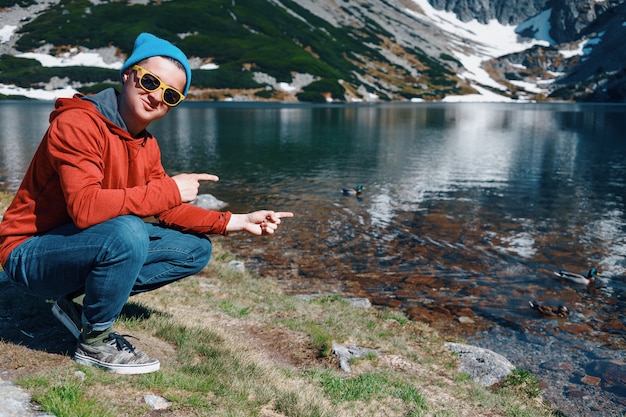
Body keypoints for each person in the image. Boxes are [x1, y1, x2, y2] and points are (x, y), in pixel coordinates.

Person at [0, 33, 293, 374]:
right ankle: (94, 341)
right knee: (128, 231)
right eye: (150, 82)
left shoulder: (145, 144)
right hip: (29, 253)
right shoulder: (78, 123)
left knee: (193, 249)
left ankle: (79, 304)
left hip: (78, 246)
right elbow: (85, 208)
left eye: (170, 95)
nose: (156, 97)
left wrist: (237, 221)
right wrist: (170, 189)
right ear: (128, 74)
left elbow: (167, 210)